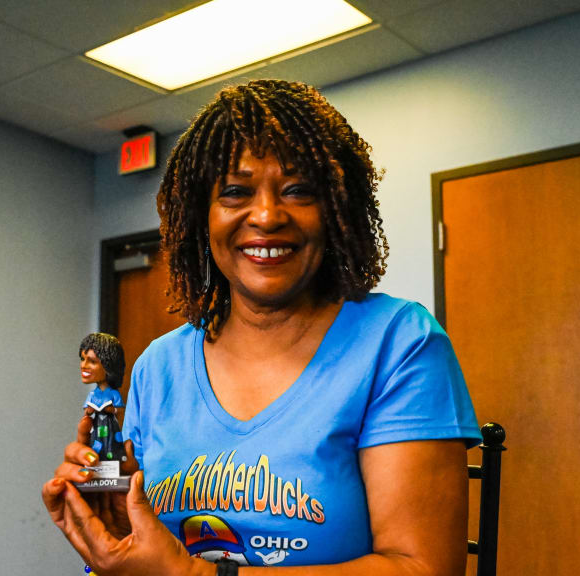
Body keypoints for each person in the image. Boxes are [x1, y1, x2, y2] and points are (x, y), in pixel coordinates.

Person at [43, 80, 480, 576]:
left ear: (336, 210)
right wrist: (119, 528)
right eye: (235, 192)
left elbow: (423, 568)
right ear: (201, 217)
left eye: (298, 190)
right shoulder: (157, 367)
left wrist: (196, 575)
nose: (268, 216)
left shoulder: (398, 343)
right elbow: (156, 555)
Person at [77, 333, 127, 463]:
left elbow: (120, 412)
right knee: (96, 445)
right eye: (82, 359)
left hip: (110, 425)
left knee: (111, 445)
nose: (83, 365)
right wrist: (89, 411)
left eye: (92, 361)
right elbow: (86, 413)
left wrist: (112, 410)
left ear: (108, 366)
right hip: (97, 425)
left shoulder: (113, 393)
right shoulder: (93, 394)